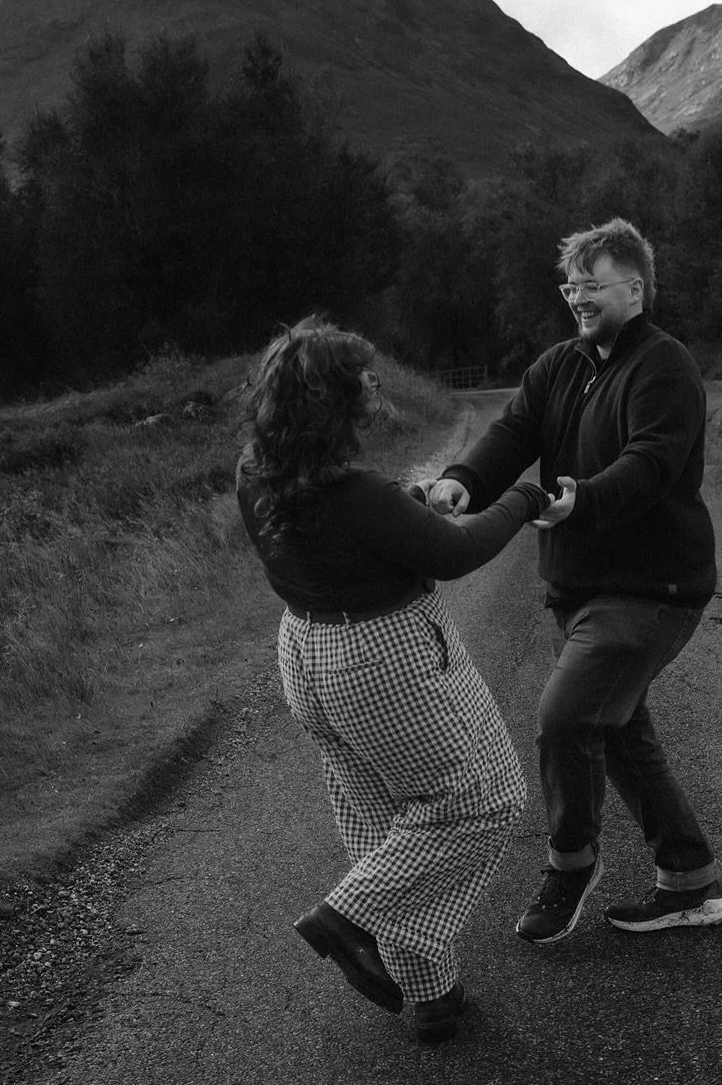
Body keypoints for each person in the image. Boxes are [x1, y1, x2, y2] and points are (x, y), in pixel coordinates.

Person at [235, 315, 573, 1043]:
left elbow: (349, 540)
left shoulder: (257, 473)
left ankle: (431, 993)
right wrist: (524, 500)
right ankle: (345, 918)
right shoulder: (351, 493)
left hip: (306, 652)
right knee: (479, 802)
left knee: (379, 818)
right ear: (330, 401)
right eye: (360, 379)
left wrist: (412, 505)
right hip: (382, 659)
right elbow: (455, 556)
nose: (373, 385)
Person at [426, 217, 722, 944]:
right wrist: (461, 482)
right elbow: (511, 434)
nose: (577, 298)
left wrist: (581, 497)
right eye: (571, 286)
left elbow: (652, 461)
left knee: (565, 719)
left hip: (651, 589)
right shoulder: (558, 365)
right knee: (619, 733)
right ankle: (691, 884)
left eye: (591, 285)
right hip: (580, 588)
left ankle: (569, 865)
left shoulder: (664, 365)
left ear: (634, 286)